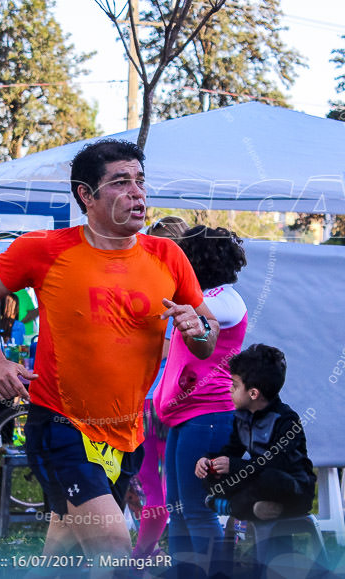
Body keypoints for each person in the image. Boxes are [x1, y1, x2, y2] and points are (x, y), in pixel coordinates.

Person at [0, 139, 218, 559]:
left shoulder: (168, 256)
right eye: (121, 182)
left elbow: (207, 338)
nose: (137, 193)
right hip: (61, 425)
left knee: (62, 557)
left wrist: (197, 329)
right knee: (111, 546)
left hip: (127, 434)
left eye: (141, 182)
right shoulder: (44, 249)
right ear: (86, 195)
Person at [154, 225, 248, 569]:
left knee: (195, 509)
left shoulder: (225, 300)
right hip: (187, 416)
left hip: (209, 416)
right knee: (177, 509)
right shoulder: (205, 297)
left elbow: (190, 307)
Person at [198, 344, 315, 523]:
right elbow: (231, 452)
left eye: (235, 386)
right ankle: (259, 508)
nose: (230, 390)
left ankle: (236, 507)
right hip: (256, 481)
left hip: (291, 486)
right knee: (214, 474)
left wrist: (235, 466)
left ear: (253, 393)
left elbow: (277, 463)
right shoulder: (242, 418)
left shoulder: (286, 420)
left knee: (268, 478)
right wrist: (209, 461)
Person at [132, 216, 189, 560]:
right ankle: (147, 554)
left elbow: (165, 347)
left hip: (152, 399)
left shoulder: (160, 289)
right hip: (168, 400)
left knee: (153, 486)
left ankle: (143, 556)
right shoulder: (189, 290)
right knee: (163, 486)